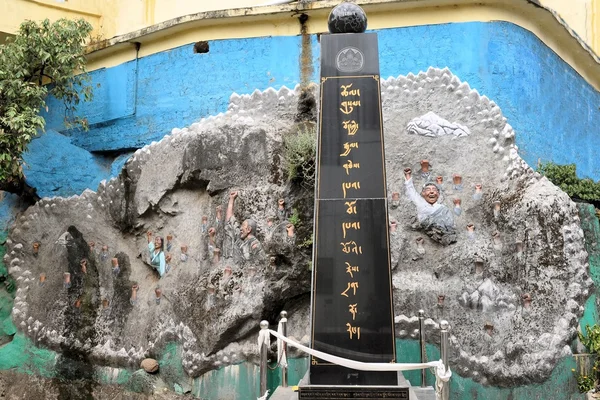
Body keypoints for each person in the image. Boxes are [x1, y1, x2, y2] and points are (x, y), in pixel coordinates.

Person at [404, 168, 456, 245]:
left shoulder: (440, 206)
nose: (431, 192)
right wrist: (408, 176)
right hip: (429, 225)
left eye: (434, 190)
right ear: (423, 193)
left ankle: (448, 235)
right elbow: (411, 191)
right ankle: (442, 234)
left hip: (442, 229)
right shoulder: (420, 202)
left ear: (438, 194)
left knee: (445, 210)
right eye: (428, 190)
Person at [223, 191, 263, 261]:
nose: (240, 228)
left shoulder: (255, 244)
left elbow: (260, 263)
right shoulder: (240, 239)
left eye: (243, 226)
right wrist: (231, 199)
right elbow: (230, 221)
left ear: (248, 229)